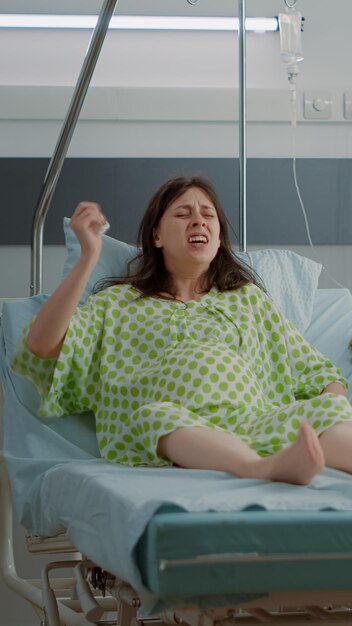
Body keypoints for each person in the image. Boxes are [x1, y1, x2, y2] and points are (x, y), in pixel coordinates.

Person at [12, 176, 352, 485]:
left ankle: (303, 459)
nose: (199, 219)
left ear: (218, 239)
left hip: (256, 421)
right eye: (183, 213)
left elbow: (319, 374)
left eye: (208, 214)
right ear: (156, 236)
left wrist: (325, 416)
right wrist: (89, 256)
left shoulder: (249, 300)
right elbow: (42, 344)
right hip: (175, 426)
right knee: (155, 417)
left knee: (327, 410)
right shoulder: (117, 303)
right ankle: (259, 468)